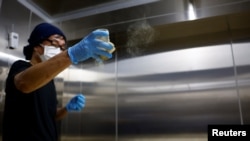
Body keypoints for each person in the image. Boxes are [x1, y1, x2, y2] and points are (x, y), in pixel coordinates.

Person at [2, 23, 114, 141]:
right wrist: (71, 54)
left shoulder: (49, 81)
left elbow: (52, 116)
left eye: (63, 47)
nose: (60, 48)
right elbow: (24, 83)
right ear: (36, 46)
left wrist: (67, 109)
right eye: (56, 42)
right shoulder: (20, 66)